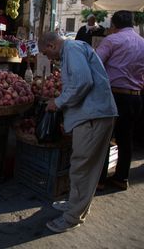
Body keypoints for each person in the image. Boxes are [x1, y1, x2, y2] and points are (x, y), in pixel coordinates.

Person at [38, 32, 117, 233]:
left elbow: (83, 82)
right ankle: (76, 205)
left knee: (82, 167)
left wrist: (59, 102)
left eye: (46, 52)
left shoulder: (72, 49)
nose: (48, 58)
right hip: (95, 114)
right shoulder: (74, 50)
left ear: (51, 45)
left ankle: (72, 217)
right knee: (86, 166)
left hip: (92, 117)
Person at [96, 10, 144, 190]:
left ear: (114, 26)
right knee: (126, 138)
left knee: (104, 137)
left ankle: (99, 180)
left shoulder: (112, 40)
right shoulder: (142, 43)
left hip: (114, 96)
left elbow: (96, 63)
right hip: (135, 98)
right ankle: (121, 178)